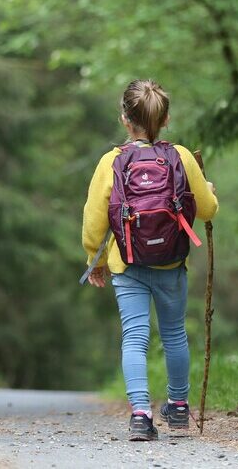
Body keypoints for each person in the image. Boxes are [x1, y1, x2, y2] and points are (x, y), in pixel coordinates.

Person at [82, 79, 218, 441]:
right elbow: (206, 209)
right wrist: (210, 194)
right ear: (166, 119)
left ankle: (141, 414)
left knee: (134, 337)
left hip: (128, 265)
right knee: (174, 334)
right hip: (171, 264)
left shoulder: (111, 161)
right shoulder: (182, 157)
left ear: (125, 119)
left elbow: (94, 219)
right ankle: (177, 408)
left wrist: (93, 260)